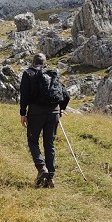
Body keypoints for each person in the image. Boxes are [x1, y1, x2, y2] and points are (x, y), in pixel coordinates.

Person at [19, 53, 68, 188]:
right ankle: (50, 179)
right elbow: (66, 94)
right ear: (45, 63)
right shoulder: (52, 73)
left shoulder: (28, 74)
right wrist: (61, 109)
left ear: (32, 62)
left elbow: (24, 96)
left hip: (36, 112)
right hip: (54, 112)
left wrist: (23, 113)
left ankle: (42, 168)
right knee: (50, 144)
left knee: (33, 141)